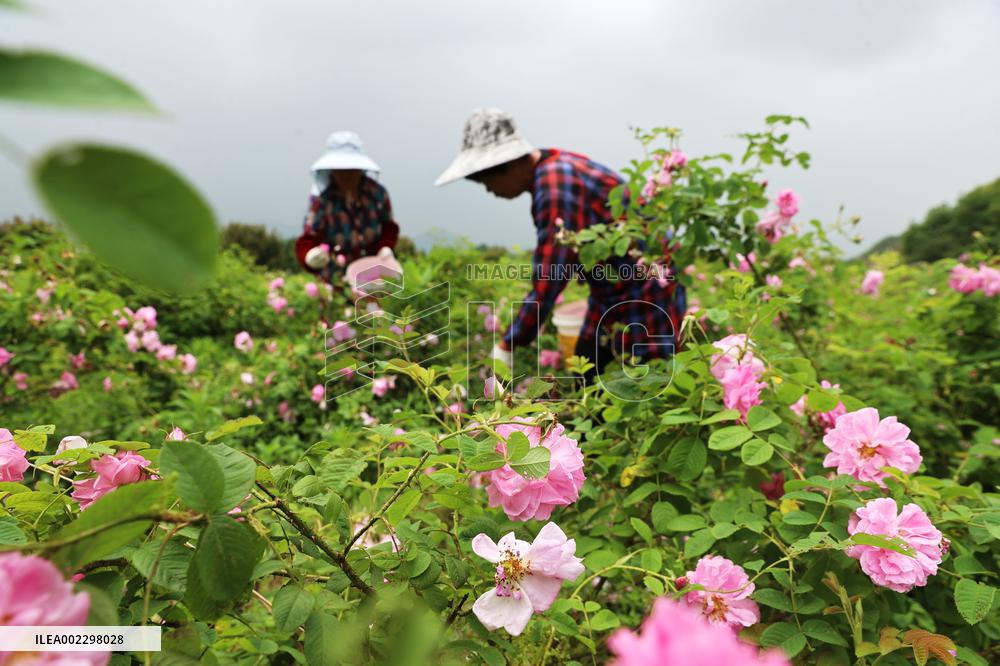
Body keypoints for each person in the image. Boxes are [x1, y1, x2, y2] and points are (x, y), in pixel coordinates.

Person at [435, 108, 685, 374]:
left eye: (488, 179)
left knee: (652, 379)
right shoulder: (554, 166)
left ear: (513, 163)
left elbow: (550, 277)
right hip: (611, 293)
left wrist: (509, 342)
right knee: (587, 370)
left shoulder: (555, 185)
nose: (489, 189)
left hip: (645, 288)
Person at [296, 131, 399, 283]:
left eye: (351, 170)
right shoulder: (323, 202)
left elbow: (389, 228)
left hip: (373, 279)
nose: (346, 175)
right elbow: (308, 238)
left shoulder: (377, 195)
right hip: (336, 281)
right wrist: (310, 256)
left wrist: (385, 247)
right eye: (340, 170)